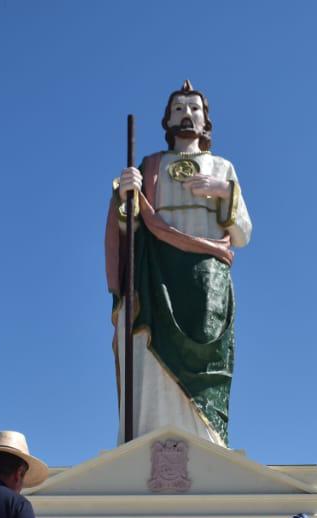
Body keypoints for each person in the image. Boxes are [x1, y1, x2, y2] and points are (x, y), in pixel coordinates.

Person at [107, 81, 253, 447]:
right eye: (178, 109)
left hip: (207, 279)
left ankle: (207, 447)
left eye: (194, 109)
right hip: (156, 273)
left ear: (206, 121)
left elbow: (243, 234)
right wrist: (126, 196)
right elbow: (130, 228)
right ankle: (147, 443)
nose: (186, 114)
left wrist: (225, 193)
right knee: (146, 351)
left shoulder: (222, 167)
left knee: (207, 365)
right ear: (167, 120)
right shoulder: (150, 167)